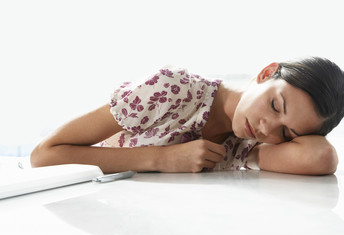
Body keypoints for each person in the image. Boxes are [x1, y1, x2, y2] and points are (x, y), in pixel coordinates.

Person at [31, 57, 344, 175]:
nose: (266, 128)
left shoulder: (241, 148)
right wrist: (162, 159)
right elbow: (44, 156)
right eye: (275, 106)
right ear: (265, 73)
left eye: (287, 133)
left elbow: (321, 159)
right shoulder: (171, 90)